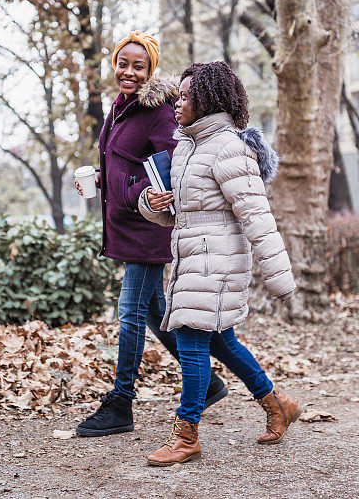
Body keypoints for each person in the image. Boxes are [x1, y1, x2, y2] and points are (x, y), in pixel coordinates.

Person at [139, 61, 303, 466]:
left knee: (192, 341)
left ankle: (186, 434)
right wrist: (152, 203)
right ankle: (277, 403)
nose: (177, 104)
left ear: (207, 100)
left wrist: (280, 278)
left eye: (185, 96)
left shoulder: (230, 147)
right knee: (221, 341)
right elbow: (179, 212)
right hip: (191, 255)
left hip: (219, 262)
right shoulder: (186, 148)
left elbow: (257, 217)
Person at [73, 32, 229, 438]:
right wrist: (101, 182)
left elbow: (173, 162)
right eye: (123, 63)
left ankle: (121, 403)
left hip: (149, 229)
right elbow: (125, 162)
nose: (128, 72)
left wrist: (140, 191)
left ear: (150, 70)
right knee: (158, 314)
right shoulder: (119, 107)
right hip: (127, 224)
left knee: (130, 314)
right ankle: (209, 384)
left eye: (138, 66)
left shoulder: (157, 109)